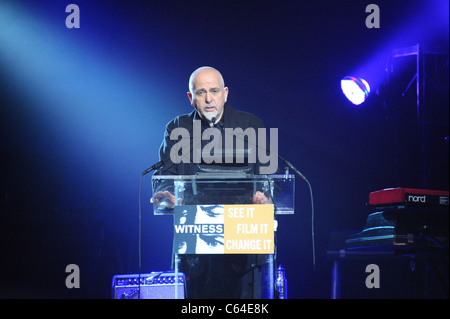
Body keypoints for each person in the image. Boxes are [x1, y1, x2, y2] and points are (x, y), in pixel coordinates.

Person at [151, 66, 276, 299]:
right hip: (196, 247)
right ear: (191, 98)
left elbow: (272, 179)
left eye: (214, 91)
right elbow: (164, 176)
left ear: (225, 93)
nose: (209, 99)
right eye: (201, 92)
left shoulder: (251, 125)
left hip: (245, 242)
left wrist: (265, 196)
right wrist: (167, 196)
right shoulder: (177, 128)